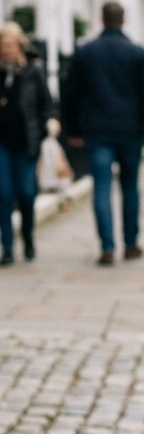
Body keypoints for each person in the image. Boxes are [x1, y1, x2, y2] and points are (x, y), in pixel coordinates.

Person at [63, 0, 144, 265]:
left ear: (102, 19)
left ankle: (107, 246)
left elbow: (70, 94)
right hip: (130, 130)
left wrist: (72, 129)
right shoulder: (137, 53)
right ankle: (130, 243)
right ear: (123, 20)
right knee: (130, 186)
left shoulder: (85, 52)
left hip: (97, 129)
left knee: (102, 186)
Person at [0, 21, 51, 265]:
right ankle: (8, 247)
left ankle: (28, 237)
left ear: (19, 44)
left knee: (27, 192)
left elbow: (47, 103)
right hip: (2, 142)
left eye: (10, 45)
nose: (7, 50)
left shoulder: (34, 69)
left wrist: (51, 121)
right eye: (3, 45)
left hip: (26, 141)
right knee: (3, 192)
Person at [37, 117, 74, 196]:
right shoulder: (45, 144)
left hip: (58, 173)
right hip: (47, 173)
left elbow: (61, 159)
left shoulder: (55, 144)